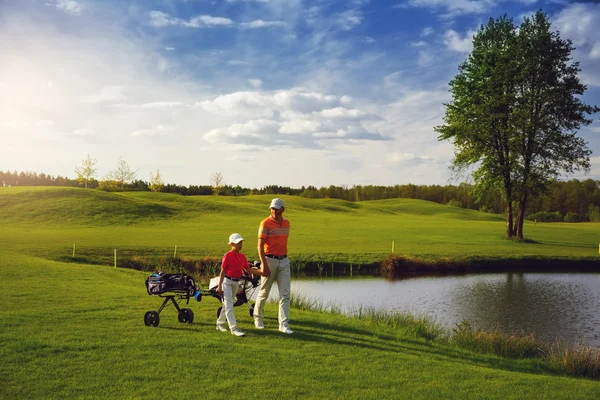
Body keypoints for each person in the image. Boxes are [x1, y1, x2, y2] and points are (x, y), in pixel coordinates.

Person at [254, 198, 293, 334]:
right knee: (264, 293)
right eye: (272, 208)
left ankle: (283, 325)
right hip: (269, 260)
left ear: (282, 209)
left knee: (285, 294)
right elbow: (259, 245)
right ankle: (258, 319)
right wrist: (263, 264)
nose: (274, 211)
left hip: (284, 261)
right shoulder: (265, 223)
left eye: (276, 208)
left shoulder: (287, 223)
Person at [216, 233, 263, 336]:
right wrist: (219, 286)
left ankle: (219, 324)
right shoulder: (227, 256)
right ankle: (234, 328)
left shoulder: (242, 257)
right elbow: (223, 271)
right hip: (227, 282)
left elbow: (248, 269)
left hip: (236, 283)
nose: (240, 244)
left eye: (241, 242)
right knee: (229, 306)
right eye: (238, 243)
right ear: (232, 244)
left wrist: (261, 272)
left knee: (228, 304)